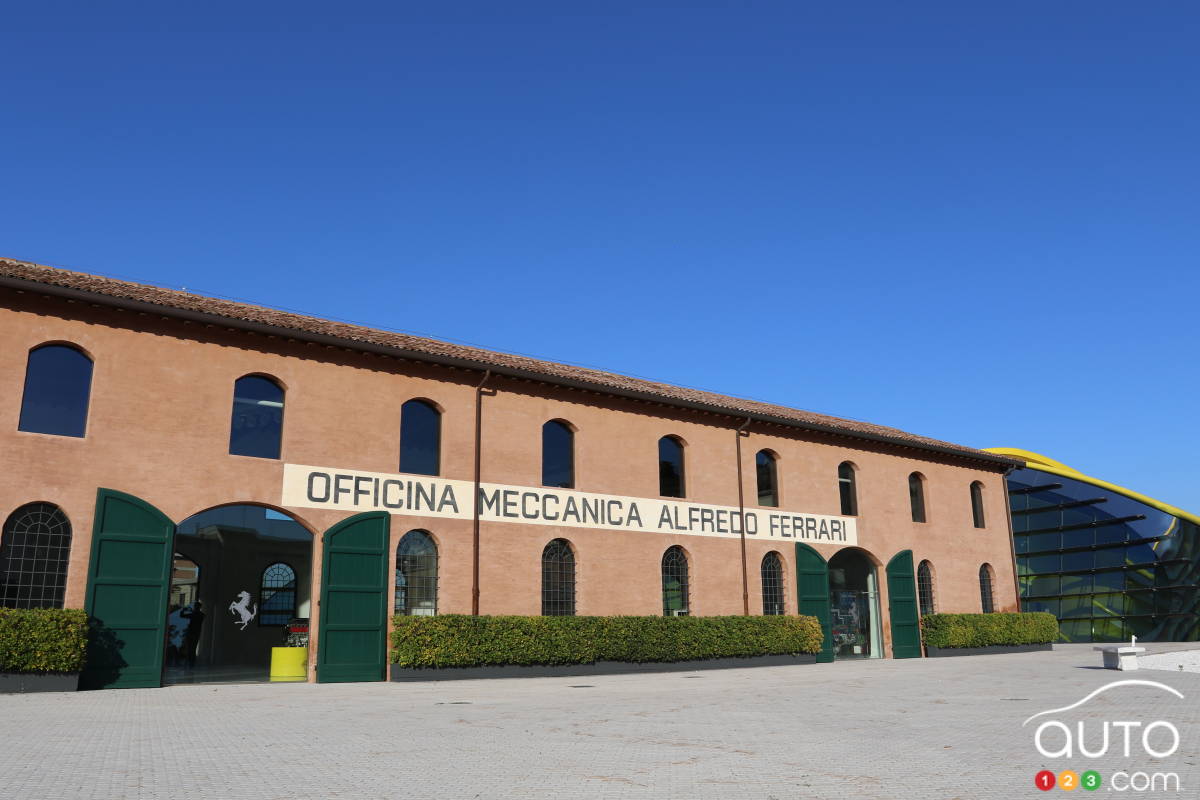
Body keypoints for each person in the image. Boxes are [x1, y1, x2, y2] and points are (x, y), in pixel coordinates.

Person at [180, 601, 206, 668]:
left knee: (189, 648)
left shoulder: (193, 614)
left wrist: (183, 610)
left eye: (195, 606)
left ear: (196, 607)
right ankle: (192, 663)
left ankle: (188, 662)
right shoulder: (202, 615)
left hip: (191, 632)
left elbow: (182, 615)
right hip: (196, 633)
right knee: (193, 648)